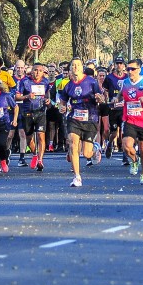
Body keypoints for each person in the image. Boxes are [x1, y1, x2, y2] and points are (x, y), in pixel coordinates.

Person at [58, 58, 105, 188]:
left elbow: (101, 98)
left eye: (77, 65)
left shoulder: (91, 82)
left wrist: (99, 98)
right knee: (73, 144)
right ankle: (77, 177)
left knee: (87, 153)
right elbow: (62, 102)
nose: (75, 67)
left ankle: (95, 149)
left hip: (90, 119)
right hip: (74, 118)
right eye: (73, 65)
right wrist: (61, 108)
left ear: (82, 68)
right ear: (70, 69)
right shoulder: (68, 85)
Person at [22, 62, 54, 171]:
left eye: (40, 71)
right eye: (35, 70)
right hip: (27, 112)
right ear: (31, 71)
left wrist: (48, 101)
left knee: (41, 136)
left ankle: (40, 160)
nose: (37, 72)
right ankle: (34, 154)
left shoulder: (45, 82)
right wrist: (27, 96)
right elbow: (17, 97)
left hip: (40, 112)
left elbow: (47, 96)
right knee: (29, 138)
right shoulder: (25, 81)